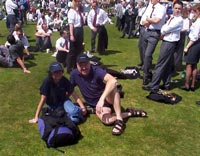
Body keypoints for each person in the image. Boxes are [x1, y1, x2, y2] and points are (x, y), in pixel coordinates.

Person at [70, 54, 147, 135]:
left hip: (107, 99)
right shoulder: (74, 74)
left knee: (113, 87)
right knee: (107, 121)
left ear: (89, 63)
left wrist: (101, 99)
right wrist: (81, 105)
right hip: (96, 105)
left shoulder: (96, 70)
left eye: (85, 64)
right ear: (76, 65)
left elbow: (113, 80)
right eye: (81, 65)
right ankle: (130, 113)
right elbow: (70, 89)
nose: (84, 67)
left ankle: (119, 120)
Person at [142, 0, 184, 92]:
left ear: (182, 10)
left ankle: (153, 85)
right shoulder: (173, 17)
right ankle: (166, 83)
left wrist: (165, 30)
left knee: (160, 64)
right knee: (168, 65)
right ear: (172, 8)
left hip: (169, 43)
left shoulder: (179, 20)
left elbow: (164, 29)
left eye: (179, 9)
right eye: (175, 8)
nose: (177, 10)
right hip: (168, 42)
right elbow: (165, 28)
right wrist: (165, 30)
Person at [140, 0, 166, 86]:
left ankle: (146, 75)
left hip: (154, 33)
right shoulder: (149, 6)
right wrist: (148, 21)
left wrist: (148, 20)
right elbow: (142, 20)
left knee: (148, 54)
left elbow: (157, 20)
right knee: (144, 54)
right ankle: (147, 71)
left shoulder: (161, 8)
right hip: (145, 31)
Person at [181, 4, 200, 92]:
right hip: (197, 43)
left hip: (193, 43)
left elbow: (195, 36)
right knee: (194, 65)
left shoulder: (198, 21)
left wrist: (187, 46)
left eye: (195, 11)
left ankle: (187, 84)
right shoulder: (197, 20)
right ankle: (192, 84)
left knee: (189, 65)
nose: (193, 13)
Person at [67, 0, 84, 73]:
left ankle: (75, 66)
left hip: (80, 30)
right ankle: (69, 68)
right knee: (72, 51)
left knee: (79, 50)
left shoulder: (78, 10)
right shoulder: (71, 11)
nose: (79, 3)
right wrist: (71, 35)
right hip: (75, 30)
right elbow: (71, 24)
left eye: (80, 1)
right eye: (77, 1)